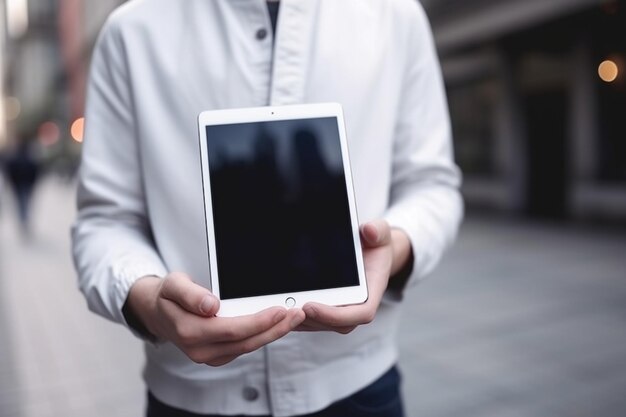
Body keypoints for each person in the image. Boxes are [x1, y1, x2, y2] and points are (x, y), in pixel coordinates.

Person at [71, 1, 463, 416]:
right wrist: (149, 301)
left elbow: (432, 185)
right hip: (191, 395)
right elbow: (104, 221)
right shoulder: (131, 30)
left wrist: (395, 246)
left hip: (358, 386)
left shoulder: (394, 14)